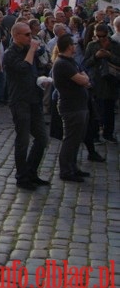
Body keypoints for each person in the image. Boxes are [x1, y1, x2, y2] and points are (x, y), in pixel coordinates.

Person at [3, 22, 49, 190]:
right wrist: (31, 50)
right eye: (27, 35)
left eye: (31, 34)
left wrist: (41, 80)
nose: (31, 37)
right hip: (20, 100)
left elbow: (34, 70)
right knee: (22, 140)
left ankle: (31, 171)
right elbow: (23, 69)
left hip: (33, 98)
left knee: (42, 138)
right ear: (16, 36)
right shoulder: (10, 54)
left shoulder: (31, 52)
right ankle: (22, 177)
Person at [52, 34, 91, 182]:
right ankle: (66, 171)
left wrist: (84, 79)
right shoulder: (62, 63)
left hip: (79, 105)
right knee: (70, 139)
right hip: (71, 106)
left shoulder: (70, 61)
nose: (75, 46)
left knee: (76, 139)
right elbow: (82, 79)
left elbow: (85, 76)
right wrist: (84, 79)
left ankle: (73, 167)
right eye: (73, 44)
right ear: (69, 46)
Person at [83, 23, 120, 144]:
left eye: (103, 36)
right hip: (97, 81)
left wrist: (110, 55)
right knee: (96, 110)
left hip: (111, 81)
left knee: (109, 110)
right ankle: (95, 135)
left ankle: (108, 134)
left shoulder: (115, 45)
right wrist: (96, 56)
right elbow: (85, 63)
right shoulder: (92, 45)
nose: (100, 39)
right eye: (98, 36)